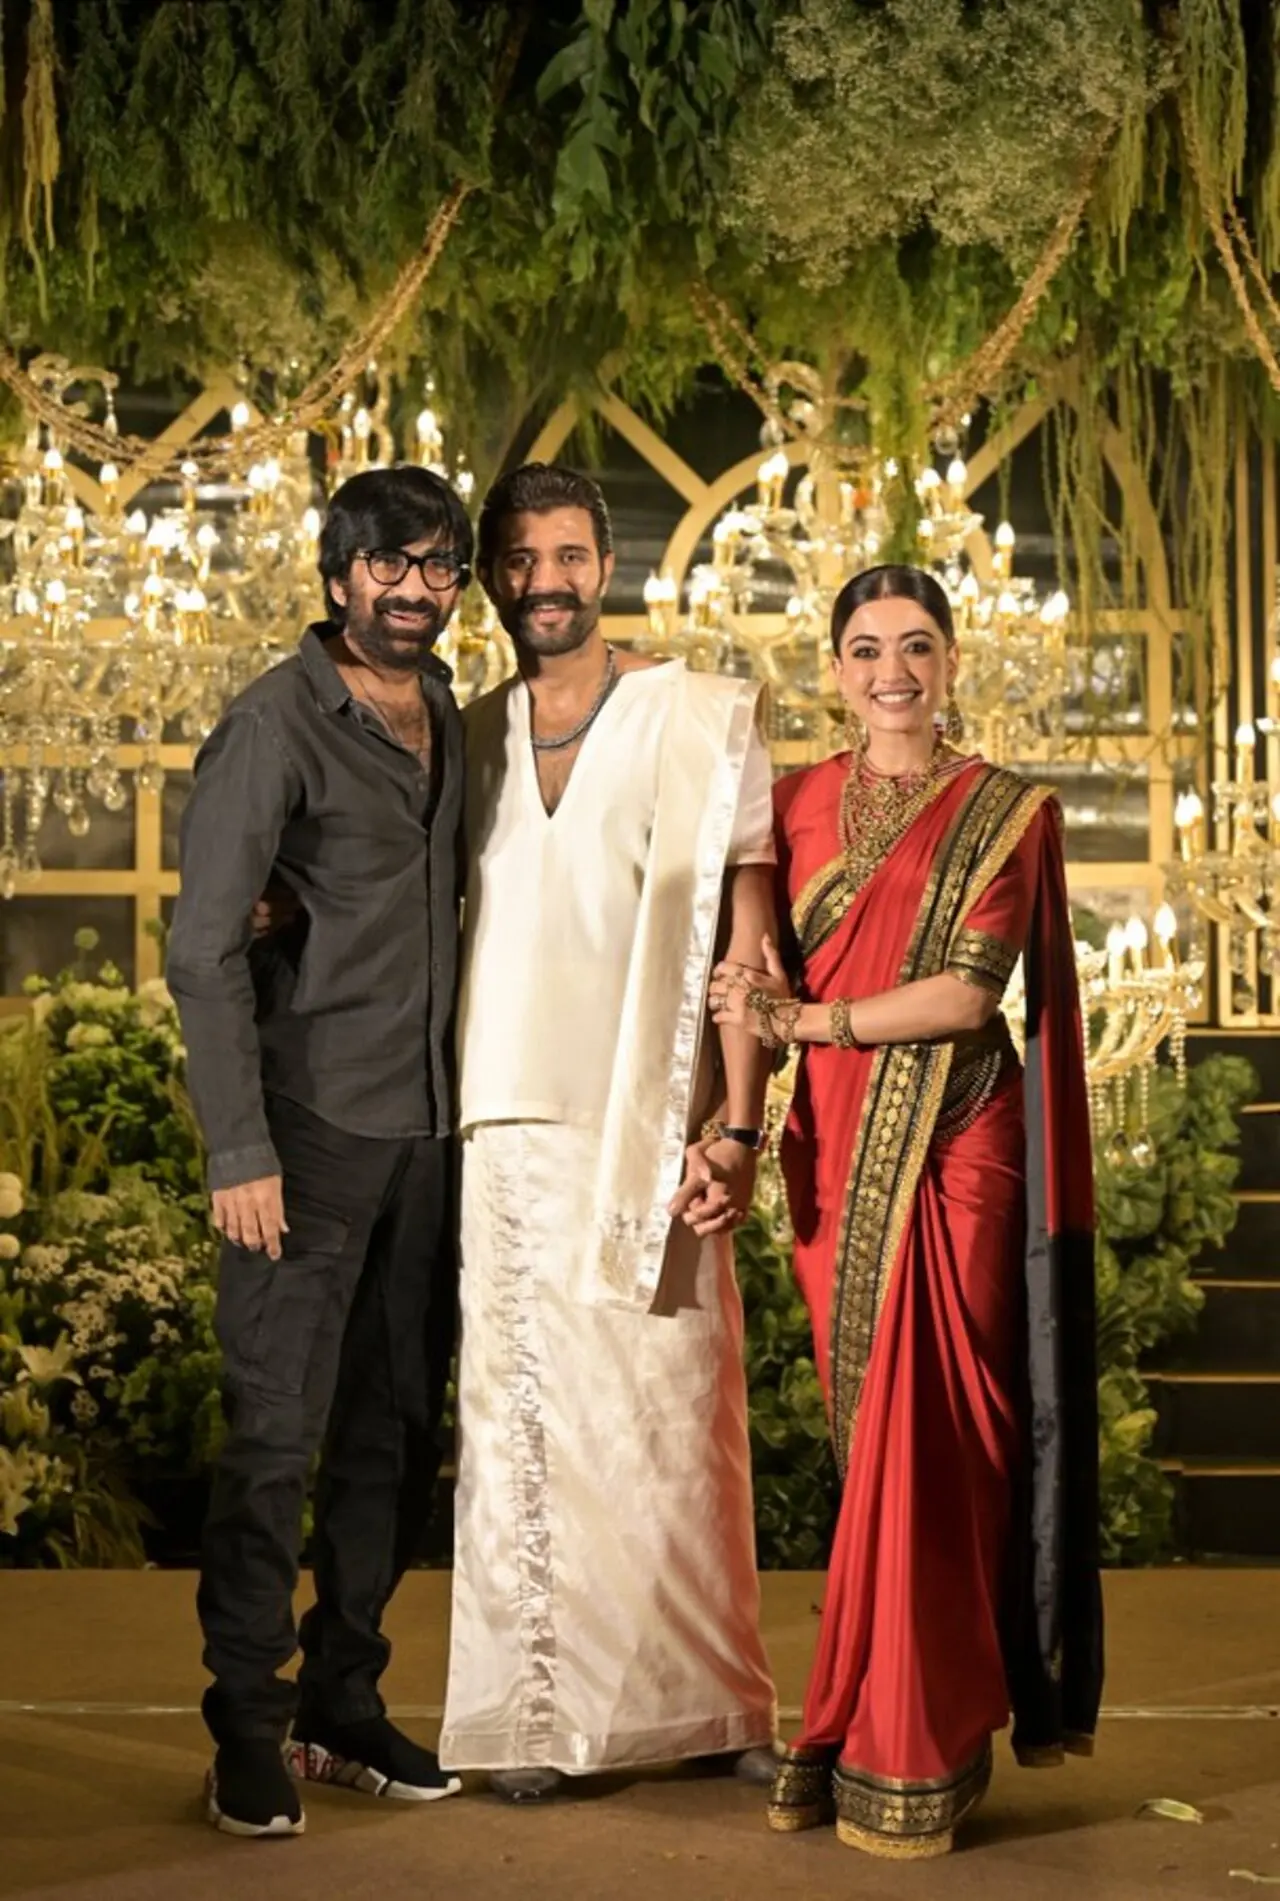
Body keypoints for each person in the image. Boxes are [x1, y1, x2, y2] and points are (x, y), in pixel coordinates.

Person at [710, 563, 1102, 1860]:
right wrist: (737, 1117)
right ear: (834, 669)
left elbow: (963, 998)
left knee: (944, 1438)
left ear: (949, 663)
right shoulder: (789, 805)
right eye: (868, 647)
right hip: (834, 1146)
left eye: (918, 646)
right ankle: (875, 1721)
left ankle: (912, 1738)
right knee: (871, 1430)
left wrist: (809, 1020)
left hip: (961, 1145)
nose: (893, 670)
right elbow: (744, 992)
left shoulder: (1004, 813)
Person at [437, 463, 778, 1800]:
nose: (545, 582)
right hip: (506, 1117)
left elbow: (749, 941)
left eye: (567, 555)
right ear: (495, 579)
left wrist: (741, 1126)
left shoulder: (698, 719)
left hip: (662, 1116)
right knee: (525, 1430)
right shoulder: (462, 738)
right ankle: (533, 1719)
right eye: (518, 561)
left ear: (607, 561)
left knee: (681, 1417)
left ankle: (713, 1707)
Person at [166, 465, 471, 1838]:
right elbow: (201, 949)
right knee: (276, 1443)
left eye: (441, 568)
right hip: (299, 1139)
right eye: (390, 566)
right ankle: (247, 1725)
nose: (416, 591)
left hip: (424, 1135)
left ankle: (344, 1705)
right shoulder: (272, 725)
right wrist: (238, 1147)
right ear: (341, 574)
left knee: (387, 1443)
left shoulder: (447, 715)